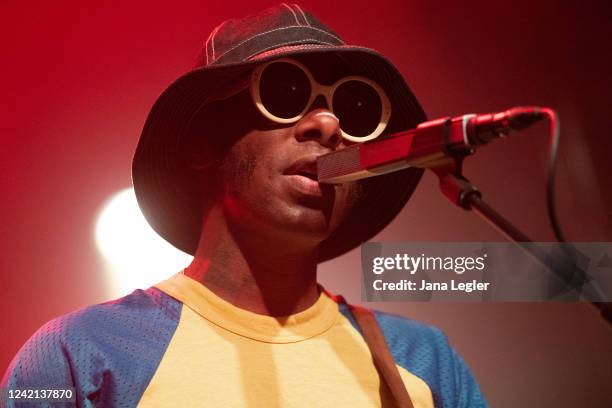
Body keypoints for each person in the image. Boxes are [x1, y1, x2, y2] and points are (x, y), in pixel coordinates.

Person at [2, 4, 487, 407]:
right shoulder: (84, 355)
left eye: (356, 111)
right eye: (285, 92)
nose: (327, 125)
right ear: (202, 143)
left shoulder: (424, 362)